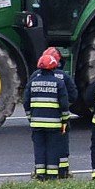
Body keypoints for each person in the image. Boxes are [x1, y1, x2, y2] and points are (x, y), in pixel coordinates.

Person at [25, 52, 69, 180]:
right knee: (52, 148)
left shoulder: (32, 83)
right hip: (54, 124)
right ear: (54, 67)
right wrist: (64, 121)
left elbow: (26, 102)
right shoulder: (58, 83)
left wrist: (30, 118)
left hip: (36, 124)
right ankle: (52, 175)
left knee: (39, 148)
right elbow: (64, 104)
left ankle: (40, 174)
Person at [41, 47, 78, 178]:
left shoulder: (36, 76)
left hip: (40, 118)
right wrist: (65, 108)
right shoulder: (64, 77)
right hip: (60, 118)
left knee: (42, 146)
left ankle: (41, 173)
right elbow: (73, 95)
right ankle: (63, 172)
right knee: (62, 144)